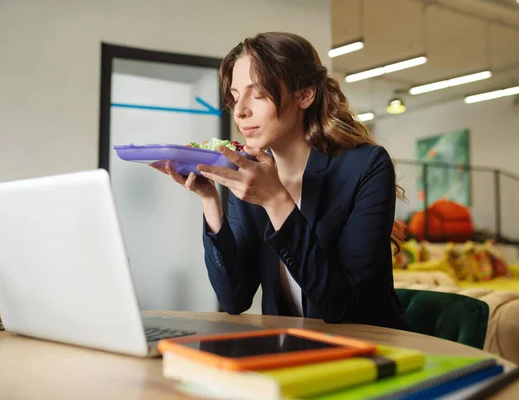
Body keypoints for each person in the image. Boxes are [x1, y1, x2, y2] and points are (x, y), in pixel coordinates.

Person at [151, 32, 409, 330]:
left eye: (257, 93)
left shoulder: (366, 166)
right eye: (235, 96)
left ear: (304, 95)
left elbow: (342, 306)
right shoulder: (249, 174)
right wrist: (209, 199)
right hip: (294, 350)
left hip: (370, 349)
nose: (239, 110)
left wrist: (276, 201)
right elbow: (235, 299)